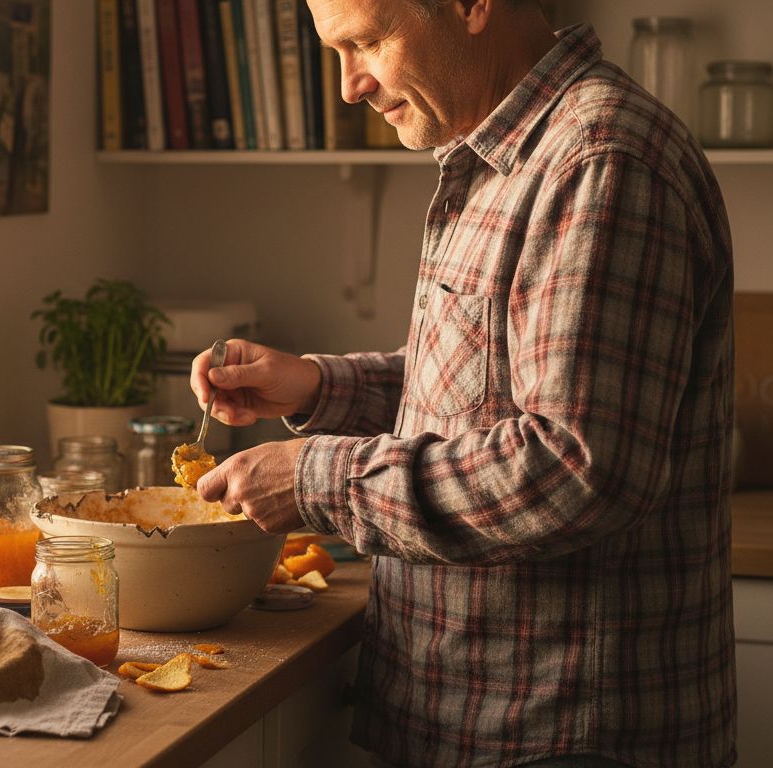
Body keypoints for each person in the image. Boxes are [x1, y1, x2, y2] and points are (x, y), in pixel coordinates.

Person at [189, 1, 736, 766]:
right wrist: (315, 388)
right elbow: (484, 392)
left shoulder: (598, 160)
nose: (351, 86)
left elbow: (576, 467)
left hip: (560, 731)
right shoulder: (500, 154)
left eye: (370, 41)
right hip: (474, 717)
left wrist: (317, 479)